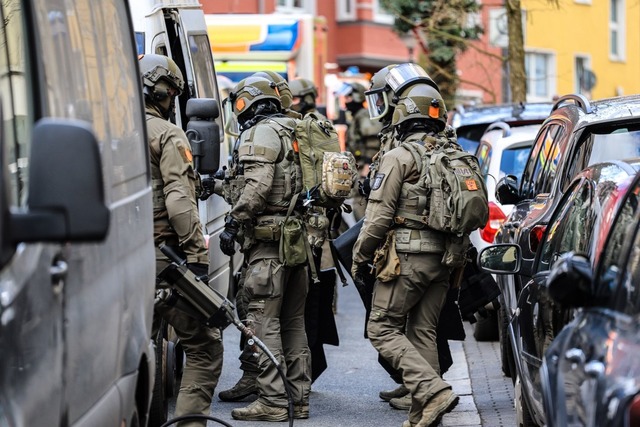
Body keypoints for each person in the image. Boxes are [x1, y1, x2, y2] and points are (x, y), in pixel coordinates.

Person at [351, 77, 462, 427]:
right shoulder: (455, 155)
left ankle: (432, 391)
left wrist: (360, 254)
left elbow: (378, 216)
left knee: (381, 328)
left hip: (407, 260)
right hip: (444, 260)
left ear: (401, 118)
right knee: (423, 332)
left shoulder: (399, 156)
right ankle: (423, 415)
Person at [219, 75, 312, 422]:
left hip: (268, 244)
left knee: (262, 321)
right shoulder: (296, 128)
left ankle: (273, 401)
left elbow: (257, 188)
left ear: (246, 103)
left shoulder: (260, 133)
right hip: (299, 241)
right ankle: (298, 401)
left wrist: (232, 222)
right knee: (293, 323)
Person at [141, 53, 223, 427]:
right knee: (205, 347)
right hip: (162, 260)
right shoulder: (167, 134)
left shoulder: (104, 133)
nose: (172, 100)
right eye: (171, 93)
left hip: (112, 261)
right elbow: (179, 201)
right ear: (159, 91)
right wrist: (196, 258)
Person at [339, 81, 383, 220]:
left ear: (357, 96)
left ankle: (364, 234)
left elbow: (371, 142)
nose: (346, 101)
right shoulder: (358, 115)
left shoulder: (364, 115)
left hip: (365, 166)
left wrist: (367, 166)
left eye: (349, 97)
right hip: (359, 165)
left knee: (360, 199)